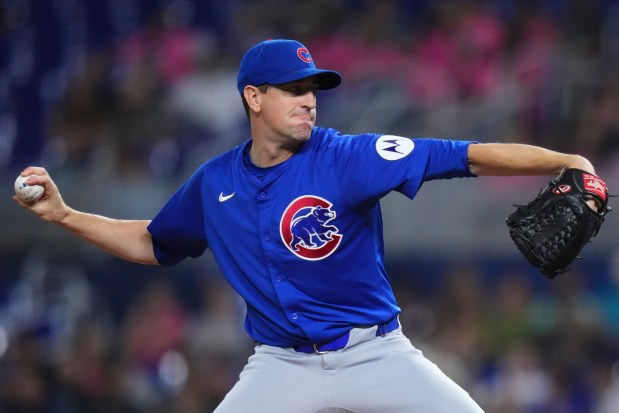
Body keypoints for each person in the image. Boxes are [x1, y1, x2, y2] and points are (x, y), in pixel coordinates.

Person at [14, 39, 600, 412]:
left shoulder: (349, 156)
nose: (309, 100)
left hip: (376, 356)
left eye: (313, 89)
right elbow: (153, 241)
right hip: (280, 364)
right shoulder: (214, 181)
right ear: (253, 98)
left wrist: (564, 161)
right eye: (293, 90)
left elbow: (465, 153)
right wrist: (65, 217)